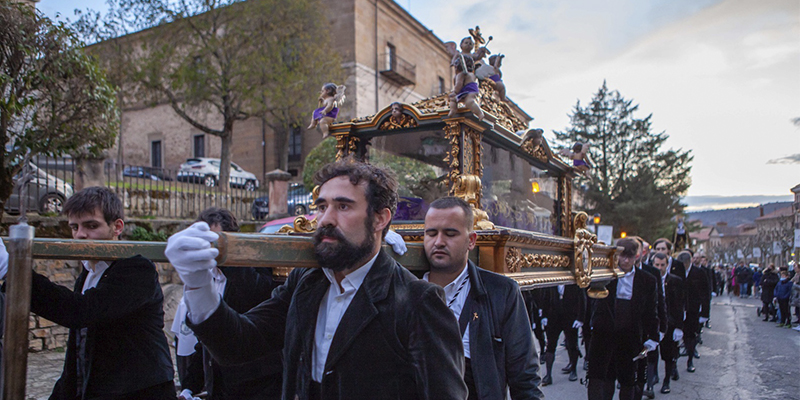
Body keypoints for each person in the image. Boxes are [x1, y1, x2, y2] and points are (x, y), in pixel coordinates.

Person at [164, 160, 467, 400]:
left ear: (380, 218)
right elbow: (241, 343)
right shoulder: (306, 283)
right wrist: (198, 283)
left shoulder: (416, 302)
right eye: (322, 207)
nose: (325, 219)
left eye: (343, 206)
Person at [0, 187, 175, 399]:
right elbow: (79, 352)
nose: (80, 234)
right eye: (74, 227)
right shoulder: (89, 271)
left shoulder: (137, 269)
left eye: (91, 226)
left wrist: (12, 269)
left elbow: (80, 311)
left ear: (117, 226)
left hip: (139, 392)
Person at [422, 196, 543, 399]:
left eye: (450, 234)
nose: (439, 242)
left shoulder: (501, 292)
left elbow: (525, 377)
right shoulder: (404, 290)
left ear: (471, 241)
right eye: (431, 233)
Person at [172, 207, 283, 400]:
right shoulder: (210, 278)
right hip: (221, 385)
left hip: (259, 385)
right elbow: (207, 340)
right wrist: (190, 387)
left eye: (216, 242)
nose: (211, 249)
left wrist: (229, 257)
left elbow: (257, 295)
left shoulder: (256, 266)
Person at [586, 238, 658, 400]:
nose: (625, 260)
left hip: (629, 336)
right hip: (603, 335)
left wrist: (653, 337)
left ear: (637, 256)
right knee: (599, 378)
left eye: (630, 257)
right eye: (622, 256)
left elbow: (650, 311)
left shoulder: (647, 280)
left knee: (627, 380)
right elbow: (590, 303)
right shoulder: (604, 275)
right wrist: (588, 327)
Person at [651, 253, 685, 395]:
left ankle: (666, 381)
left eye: (662, 265)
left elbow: (679, 305)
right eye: (657, 265)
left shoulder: (675, 281)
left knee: (668, 353)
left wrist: (679, 327)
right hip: (653, 321)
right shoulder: (649, 279)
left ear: (667, 265)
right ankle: (650, 381)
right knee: (651, 354)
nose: (659, 268)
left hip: (669, 323)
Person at [539, 283, 585, 386]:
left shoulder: (573, 282)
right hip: (554, 317)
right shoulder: (551, 282)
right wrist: (544, 316)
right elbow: (546, 298)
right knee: (550, 345)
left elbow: (582, 299)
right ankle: (548, 374)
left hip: (570, 316)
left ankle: (573, 370)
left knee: (572, 344)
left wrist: (580, 318)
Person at [675, 251, 708, 373]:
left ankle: (690, 359)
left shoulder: (699, 273)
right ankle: (673, 365)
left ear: (688, 262)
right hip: (678, 310)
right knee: (674, 338)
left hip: (693, 310)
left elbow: (705, 293)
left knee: (690, 336)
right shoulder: (676, 271)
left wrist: (705, 314)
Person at [448, 37, 484, 120]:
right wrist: (452, 62)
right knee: (456, 100)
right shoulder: (459, 54)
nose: (468, 45)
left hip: (470, 90)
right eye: (466, 43)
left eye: (470, 43)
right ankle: (453, 110)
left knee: (468, 101)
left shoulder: (462, 74)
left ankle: (479, 113)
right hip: (467, 90)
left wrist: (455, 92)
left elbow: (459, 84)